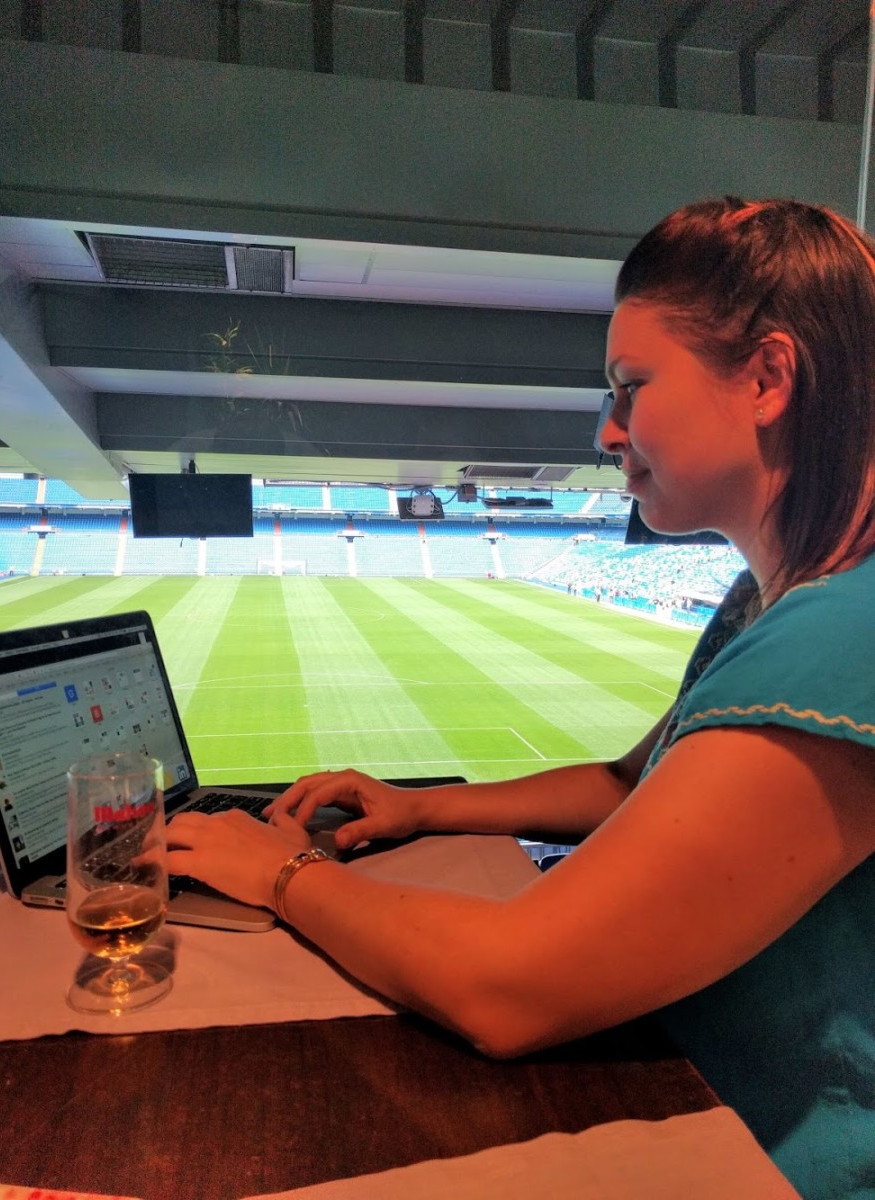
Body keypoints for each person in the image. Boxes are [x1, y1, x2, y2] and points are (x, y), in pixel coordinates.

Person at [167, 198, 875, 1200]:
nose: (608, 428)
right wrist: (427, 804)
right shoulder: (777, 598)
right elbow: (638, 782)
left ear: (766, 376)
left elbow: (510, 986)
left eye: (632, 387)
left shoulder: (842, 636)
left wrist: (280, 871)